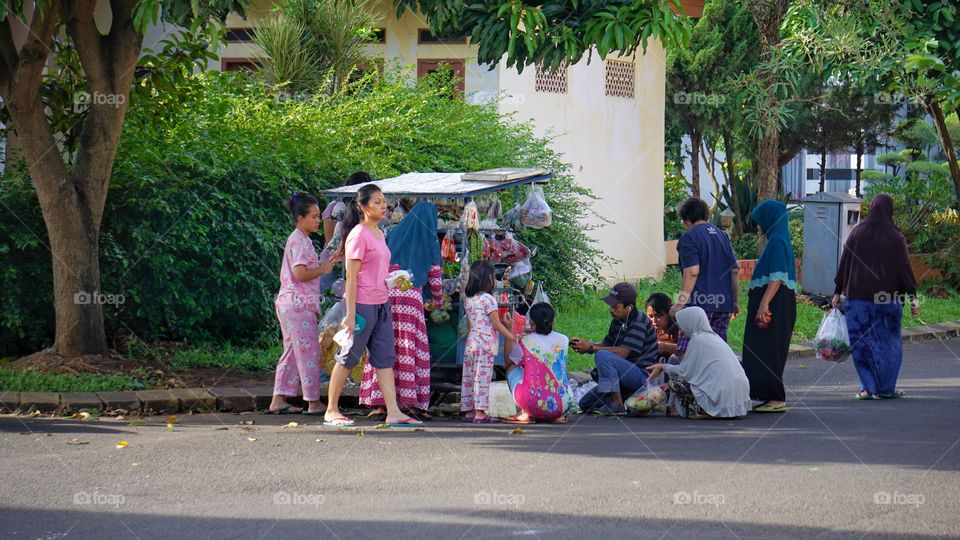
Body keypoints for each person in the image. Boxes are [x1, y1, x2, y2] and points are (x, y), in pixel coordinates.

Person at [325, 184, 423, 427]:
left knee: (385, 359)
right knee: (348, 357)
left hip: (382, 304)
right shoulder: (358, 235)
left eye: (384, 201)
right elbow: (351, 277)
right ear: (363, 207)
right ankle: (331, 410)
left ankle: (393, 412)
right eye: (378, 201)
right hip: (362, 307)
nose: (384, 205)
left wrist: (393, 280)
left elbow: (375, 270)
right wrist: (350, 314)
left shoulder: (379, 233)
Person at [360, 201, 444, 420]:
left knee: (384, 347)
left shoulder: (393, 234)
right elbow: (435, 275)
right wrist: (438, 300)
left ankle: (380, 404)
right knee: (409, 349)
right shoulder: (430, 240)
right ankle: (412, 403)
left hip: (385, 296)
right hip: (410, 302)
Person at [832, 194, 919, 400]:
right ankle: (887, 388)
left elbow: (845, 264)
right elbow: (904, 269)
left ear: (870, 209)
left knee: (862, 343)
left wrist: (836, 291)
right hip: (887, 300)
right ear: (891, 210)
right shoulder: (897, 238)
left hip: (858, 300)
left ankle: (868, 388)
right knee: (889, 345)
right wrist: (913, 297)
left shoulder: (857, 233)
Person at [269, 193, 339, 415]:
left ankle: (278, 399)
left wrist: (328, 262)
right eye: (314, 216)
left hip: (290, 303)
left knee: (291, 351)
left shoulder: (300, 239)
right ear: (300, 218)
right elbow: (300, 273)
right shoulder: (299, 240)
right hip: (299, 304)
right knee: (308, 353)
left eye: (319, 216)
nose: (318, 221)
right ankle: (313, 402)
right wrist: (324, 269)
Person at [741, 199, 798, 414]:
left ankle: (775, 397)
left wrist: (764, 304)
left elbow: (777, 277)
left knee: (768, 349)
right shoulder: (780, 239)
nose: (758, 226)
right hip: (778, 302)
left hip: (774, 303)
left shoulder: (776, 242)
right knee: (763, 348)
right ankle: (767, 394)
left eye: (759, 221)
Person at [571, 283, 659, 416]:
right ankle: (625, 396)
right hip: (624, 375)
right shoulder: (618, 320)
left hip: (641, 376)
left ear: (629, 307)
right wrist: (587, 345)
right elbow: (607, 343)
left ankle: (617, 404)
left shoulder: (639, 321)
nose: (612, 310)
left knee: (602, 355)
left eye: (616, 306)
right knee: (586, 404)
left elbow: (624, 352)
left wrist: (591, 348)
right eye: (611, 306)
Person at [646, 307, 751, 419]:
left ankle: (706, 410)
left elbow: (685, 372)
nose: (681, 329)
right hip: (738, 392)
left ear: (690, 322)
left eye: (681, 324)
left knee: (675, 381)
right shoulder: (713, 337)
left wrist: (663, 367)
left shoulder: (697, 340)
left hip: (722, 392)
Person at [671, 197, 740, 355]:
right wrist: (734, 301)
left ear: (686, 219)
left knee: (687, 352)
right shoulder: (723, 236)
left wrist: (680, 303)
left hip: (699, 304)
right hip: (723, 303)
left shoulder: (689, 238)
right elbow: (734, 271)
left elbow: (692, 271)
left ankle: (689, 381)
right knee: (716, 352)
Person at [461, 261, 516, 424]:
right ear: (489, 278)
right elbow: (497, 324)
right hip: (485, 344)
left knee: (470, 377)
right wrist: (511, 335)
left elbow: (470, 325)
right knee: (482, 378)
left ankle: (469, 410)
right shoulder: (489, 299)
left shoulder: (469, 300)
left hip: (471, 343)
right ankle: (480, 412)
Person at [503, 303, 572, 424]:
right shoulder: (564, 339)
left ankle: (525, 413)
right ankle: (557, 416)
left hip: (533, 403)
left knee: (512, 368)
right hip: (564, 403)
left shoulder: (525, 340)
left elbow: (510, 361)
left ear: (532, 323)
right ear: (553, 321)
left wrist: (510, 331)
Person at [645, 292, 680, 361]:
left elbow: (688, 350)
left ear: (669, 313)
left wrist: (664, 347)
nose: (654, 320)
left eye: (658, 315)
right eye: (651, 316)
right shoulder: (645, 328)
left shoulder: (680, 327)